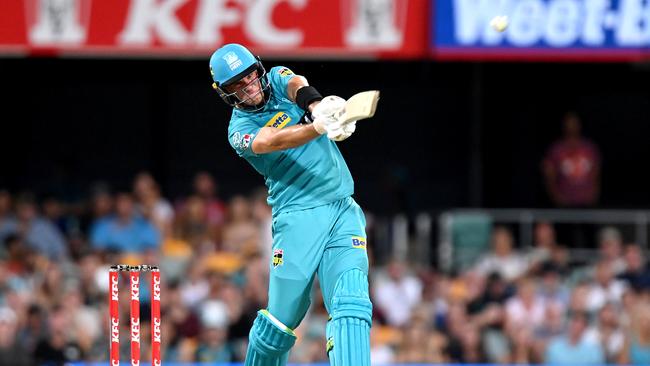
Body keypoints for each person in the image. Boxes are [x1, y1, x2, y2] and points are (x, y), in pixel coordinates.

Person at [208, 43, 370, 366]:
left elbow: (297, 83)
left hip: (342, 208)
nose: (250, 86)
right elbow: (272, 140)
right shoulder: (238, 129)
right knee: (281, 323)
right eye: (237, 86)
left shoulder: (277, 77)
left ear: (258, 69)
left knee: (351, 300)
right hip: (298, 219)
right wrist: (318, 127)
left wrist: (318, 107)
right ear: (226, 94)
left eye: (250, 76)